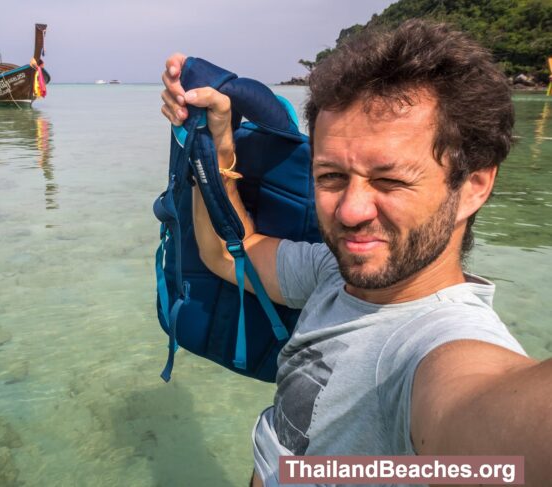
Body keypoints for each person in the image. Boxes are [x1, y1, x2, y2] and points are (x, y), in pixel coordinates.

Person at [160, 19, 551, 487]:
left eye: (390, 180)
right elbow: (230, 252)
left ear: (473, 186)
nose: (350, 211)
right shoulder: (332, 272)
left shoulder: (439, 348)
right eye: (330, 177)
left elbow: (506, 429)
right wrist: (218, 143)